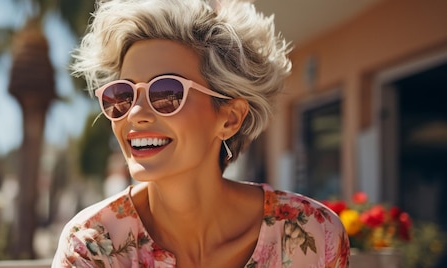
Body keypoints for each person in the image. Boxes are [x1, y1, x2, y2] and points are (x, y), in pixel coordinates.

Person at [53, 0, 350, 267]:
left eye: (165, 92)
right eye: (122, 94)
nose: (135, 113)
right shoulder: (92, 247)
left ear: (230, 118)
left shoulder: (313, 235)